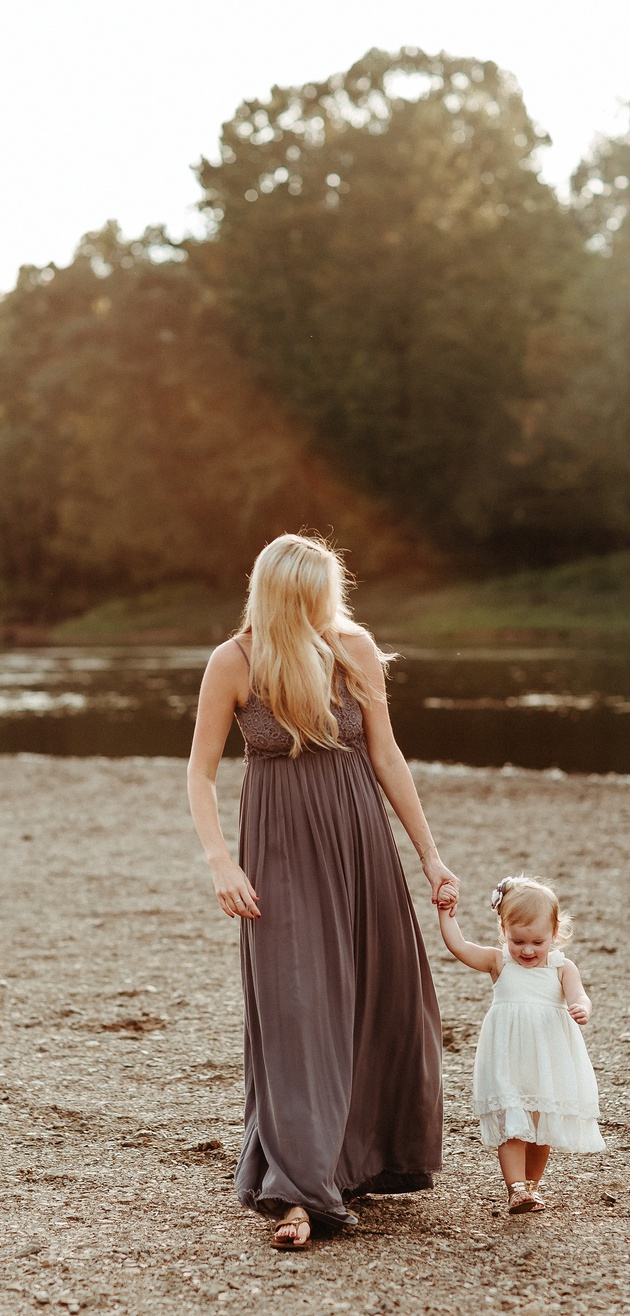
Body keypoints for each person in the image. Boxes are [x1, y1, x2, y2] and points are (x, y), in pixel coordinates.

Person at [187, 533, 460, 1249]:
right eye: (312, 598)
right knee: (298, 1006)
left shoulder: (353, 649)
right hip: (277, 851)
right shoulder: (235, 661)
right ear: (280, 594)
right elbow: (200, 772)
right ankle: (301, 1192)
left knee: (380, 995)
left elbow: (386, 754)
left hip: (358, 840)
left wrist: (430, 857)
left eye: (328, 596)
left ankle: (359, 1161)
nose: (325, 610)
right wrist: (221, 862)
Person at [436, 874, 605, 1214]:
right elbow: (460, 947)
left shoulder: (561, 967)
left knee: (542, 1130)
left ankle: (531, 1187)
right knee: (513, 1124)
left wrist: (581, 1008)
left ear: (555, 934)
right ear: (504, 932)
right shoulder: (499, 962)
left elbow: (580, 994)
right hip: (508, 1059)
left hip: (547, 1060)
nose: (527, 950)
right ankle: (515, 1189)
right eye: (518, 941)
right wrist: (446, 914)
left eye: (537, 942)